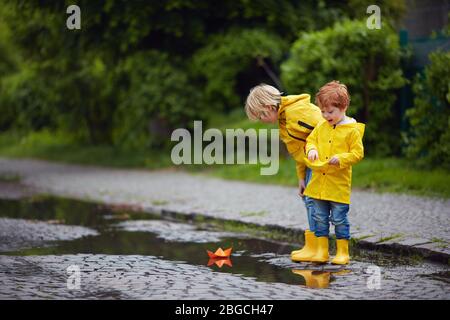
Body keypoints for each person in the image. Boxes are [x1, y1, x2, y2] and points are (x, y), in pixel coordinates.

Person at [244, 84, 323, 262]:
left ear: (270, 107)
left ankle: (320, 247)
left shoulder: (296, 112)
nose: (261, 120)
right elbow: (298, 151)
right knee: (307, 198)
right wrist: (301, 178)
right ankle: (313, 245)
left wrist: (324, 160)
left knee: (313, 200)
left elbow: (326, 129)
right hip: (310, 164)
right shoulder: (283, 120)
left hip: (322, 161)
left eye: (261, 116)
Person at [303, 80, 365, 264]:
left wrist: (343, 158)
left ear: (343, 107)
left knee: (339, 218)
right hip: (318, 185)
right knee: (319, 217)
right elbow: (310, 141)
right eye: (322, 111)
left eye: (330, 112)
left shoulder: (352, 130)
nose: (325, 115)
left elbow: (358, 153)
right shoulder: (321, 126)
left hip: (338, 186)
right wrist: (312, 150)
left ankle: (342, 252)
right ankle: (322, 251)